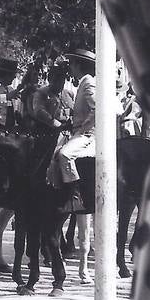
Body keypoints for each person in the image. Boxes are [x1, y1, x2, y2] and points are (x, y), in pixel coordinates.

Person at [52, 49, 96, 211]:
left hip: (87, 134)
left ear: (78, 65)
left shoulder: (88, 82)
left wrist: (84, 128)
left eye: (72, 64)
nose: (70, 68)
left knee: (65, 155)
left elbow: (96, 108)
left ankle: (76, 196)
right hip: (77, 130)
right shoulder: (84, 82)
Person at [24, 62, 70, 137]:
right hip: (43, 133)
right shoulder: (41, 93)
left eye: (62, 82)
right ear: (50, 80)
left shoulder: (65, 95)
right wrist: (58, 124)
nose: (60, 85)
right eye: (56, 81)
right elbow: (39, 111)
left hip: (59, 135)